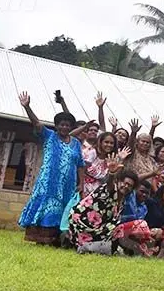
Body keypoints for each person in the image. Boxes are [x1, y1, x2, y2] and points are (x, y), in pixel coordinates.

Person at [17, 92, 85, 245]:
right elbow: (37, 124)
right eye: (61, 124)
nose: (64, 127)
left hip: (68, 184)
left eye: (67, 125)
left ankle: (57, 239)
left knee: (63, 208)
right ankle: (41, 238)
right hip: (48, 181)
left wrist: (81, 183)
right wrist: (27, 107)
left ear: (71, 127)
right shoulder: (49, 136)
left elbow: (80, 164)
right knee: (46, 205)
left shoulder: (76, 143)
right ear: (56, 126)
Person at [67, 154, 139, 254]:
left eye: (130, 186)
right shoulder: (111, 189)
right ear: (118, 181)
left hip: (98, 228)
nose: (126, 186)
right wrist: (112, 173)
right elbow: (109, 183)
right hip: (82, 223)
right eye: (124, 183)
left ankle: (90, 248)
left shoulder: (122, 202)